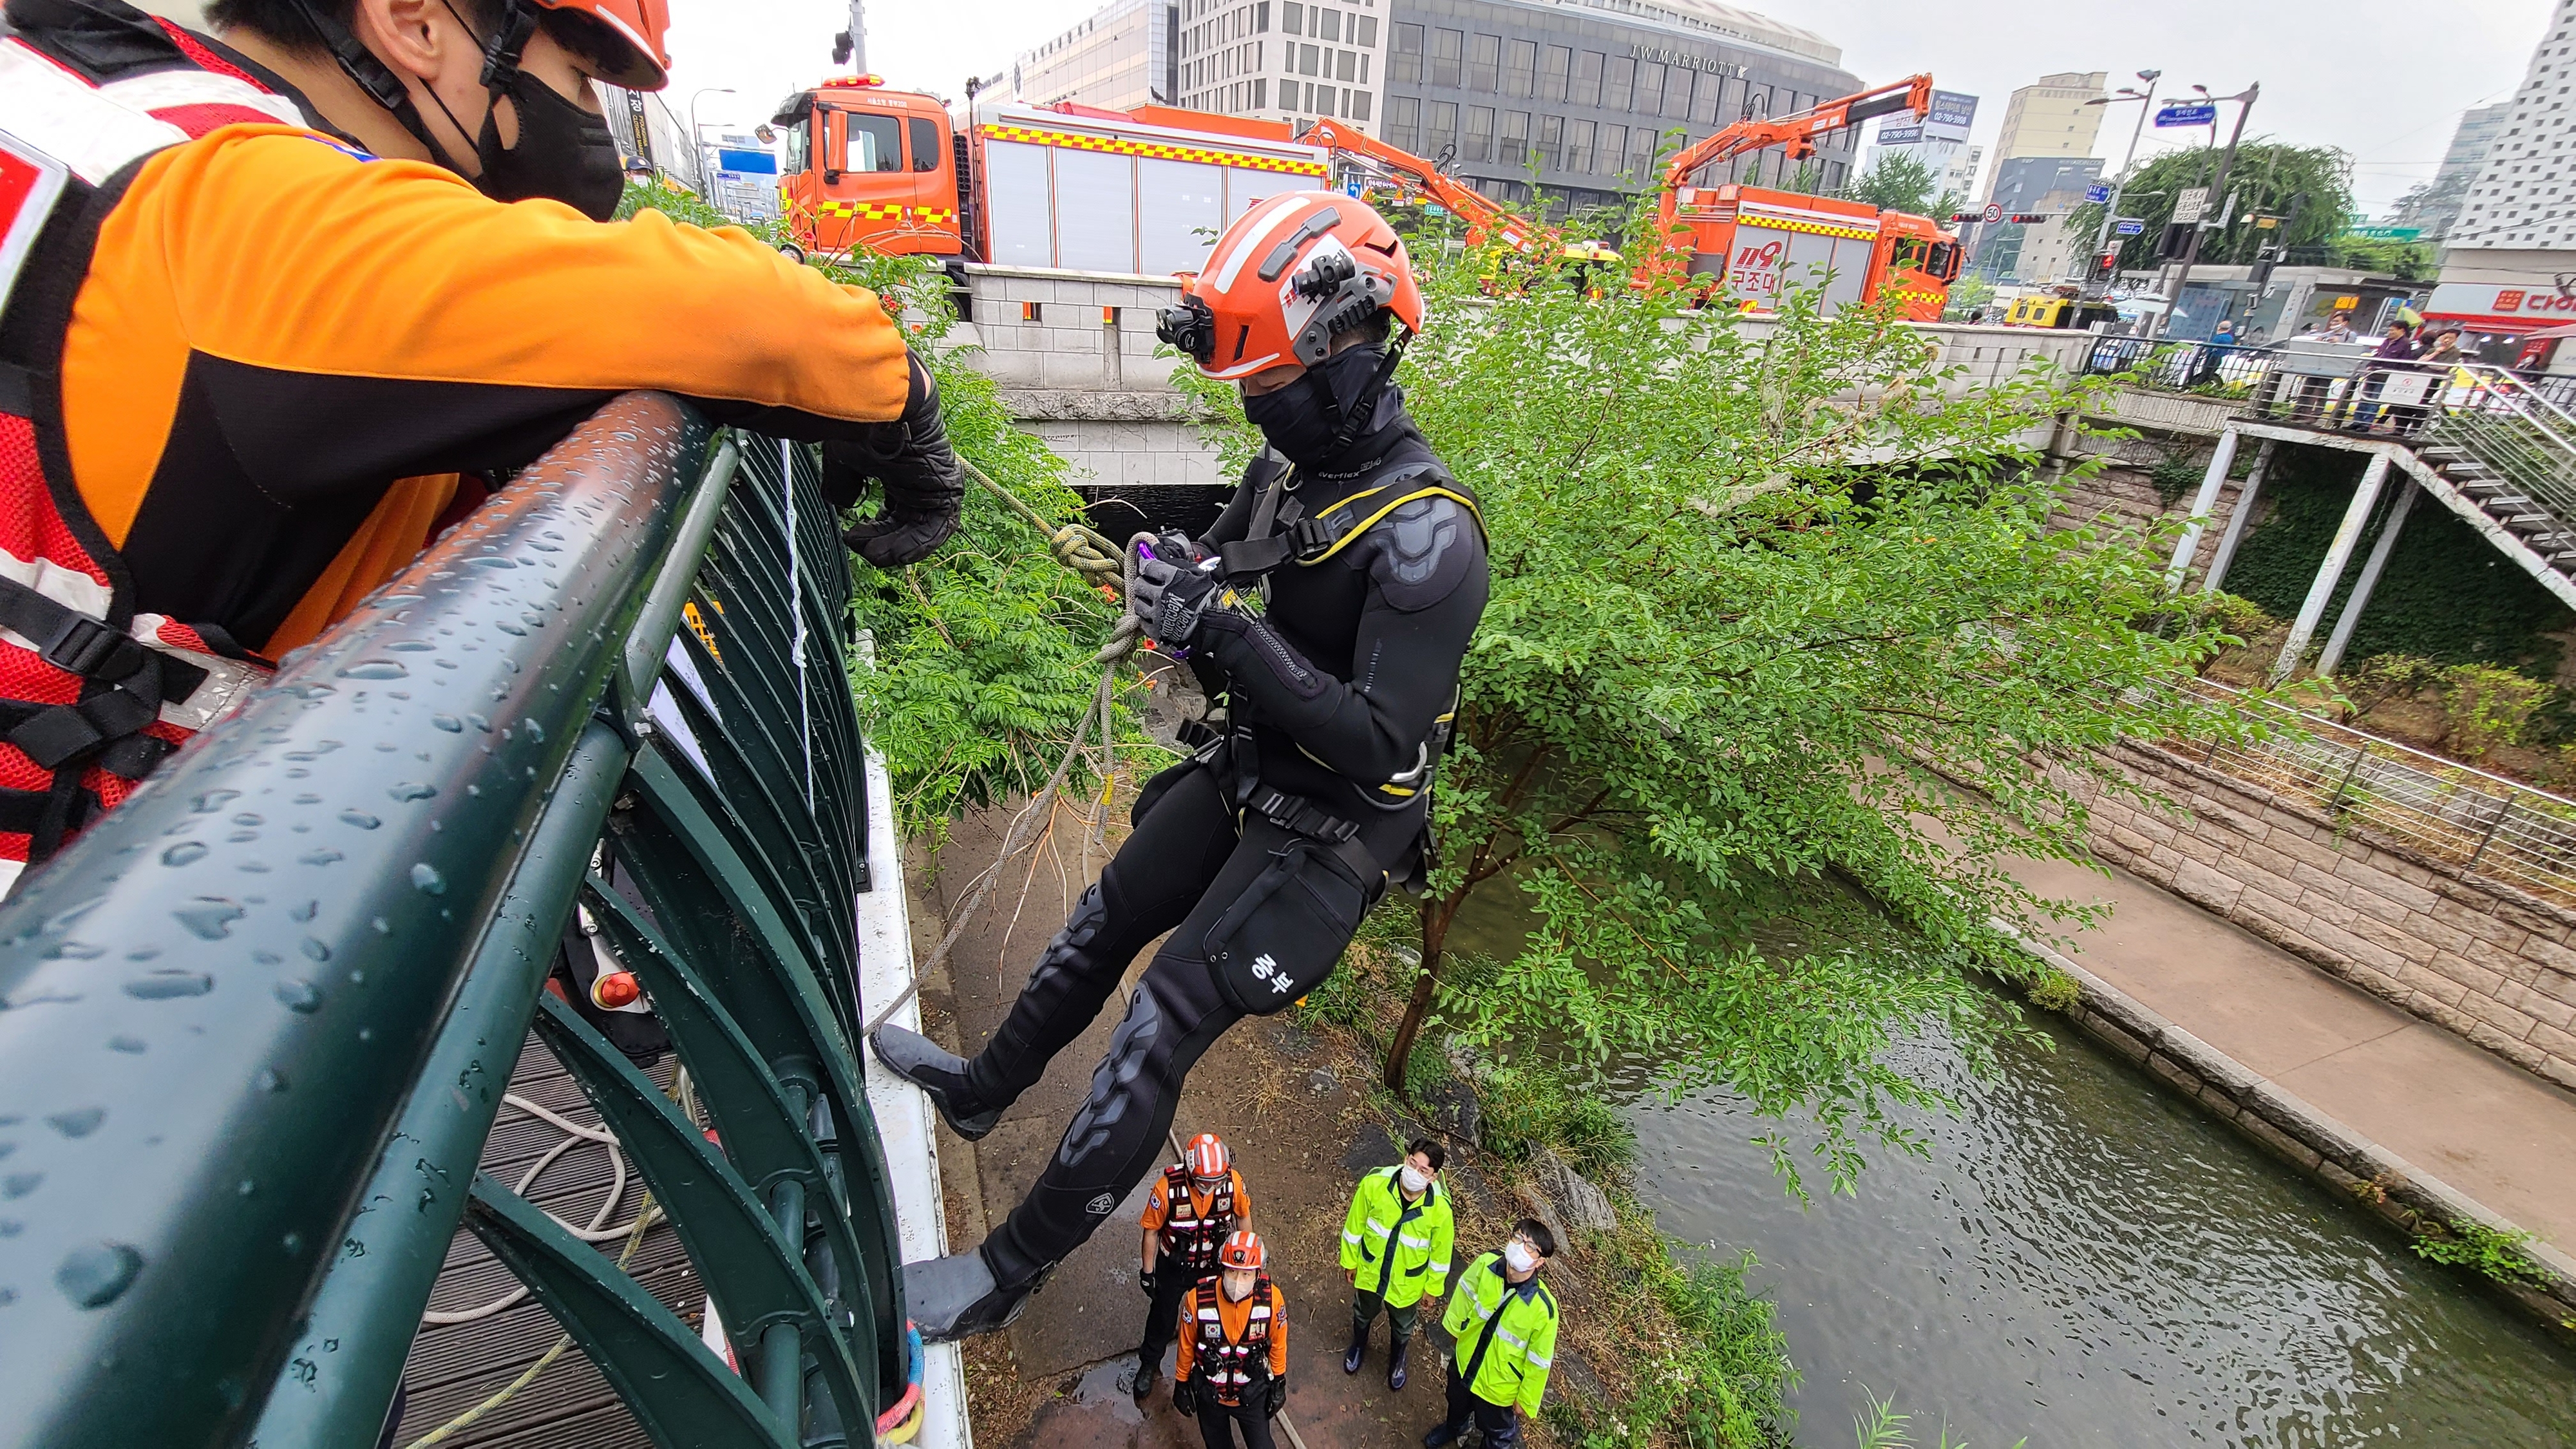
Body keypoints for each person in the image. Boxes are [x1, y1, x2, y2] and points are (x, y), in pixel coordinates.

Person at [0, 0, 958, 893]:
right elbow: (751, 317)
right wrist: (905, 403)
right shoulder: (259, 211)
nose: (587, 125)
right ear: (416, 24)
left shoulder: (124, 117)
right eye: (580, 82)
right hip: (86, 920)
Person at [871, 191, 1491, 1339]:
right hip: (1257, 756)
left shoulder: (1431, 535)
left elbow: (1377, 738)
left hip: (1337, 820)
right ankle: (979, 1091)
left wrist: (1223, 632)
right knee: (1105, 914)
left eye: (1270, 385)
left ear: (1356, 359)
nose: (1257, 404)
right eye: (1245, 387)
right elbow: (1224, 559)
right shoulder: (1296, 473)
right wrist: (1166, 578)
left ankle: (1006, 1275)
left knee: (1161, 1017)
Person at [1135, 1132, 1253, 1403]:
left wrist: (1245, 1263)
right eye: (1204, 1181)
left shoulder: (1232, 1184)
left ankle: (1204, 1369)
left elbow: (1243, 1217)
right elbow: (1151, 1231)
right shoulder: (1167, 1189)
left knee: (1212, 1319)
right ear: (1190, 1172)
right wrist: (1148, 1272)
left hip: (1213, 1264)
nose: (1211, 1187)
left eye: (1217, 1180)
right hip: (1174, 1266)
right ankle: (1150, 1362)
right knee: (1163, 1317)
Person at [1426, 1219, 1560, 1449]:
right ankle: (1454, 1428)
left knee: (1497, 1433)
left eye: (1530, 1246)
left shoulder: (1543, 1308)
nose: (1520, 1247)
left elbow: (1539, 1360)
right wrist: (1455, 1328)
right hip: (1465, 1362)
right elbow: (1465, 1292)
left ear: (1540, 1262)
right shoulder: (1487, 1263)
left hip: (1499, 1387)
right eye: (1517, 1238)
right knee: (1456, 1401)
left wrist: (1526, 1400)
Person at [1341, 1137, 1455, 1391]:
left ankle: (1397, 1360)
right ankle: (1359, 1345)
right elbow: (1354, 1227)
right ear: (1406, 1159)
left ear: (1433, 1177)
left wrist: (1433, 1289)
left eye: (1423, 1170)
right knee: (1363, 1310)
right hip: (1371, 1270)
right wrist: (1350, 1262)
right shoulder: (1375, 1184)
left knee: (1403, 1325)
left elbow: (1440, 1256)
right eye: (1412, 1163)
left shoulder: (1440, 1211)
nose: (1414, 1172)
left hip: (1407, 1282)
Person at [1173, 1231, 1290, 1449]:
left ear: (1258, 1274)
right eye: (1232, 1271)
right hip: (1210, 1396)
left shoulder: (1272, 1300)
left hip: (1251, 1395)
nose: (1238, 1281)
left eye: (1246, 1274)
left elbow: (1278, 1343)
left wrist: (1279, 1382)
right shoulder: (1196, 1300)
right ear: (1222, 1268)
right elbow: (1186, 1344)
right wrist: (1181, 1383)